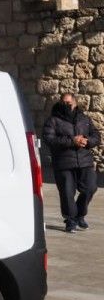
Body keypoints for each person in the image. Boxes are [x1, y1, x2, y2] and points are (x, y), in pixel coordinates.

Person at [42, 93, 99, 233]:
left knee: (90, 188)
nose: (66, 105)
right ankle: (70, 220)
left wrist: (87, 141)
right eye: (63, 102)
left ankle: (79, 214)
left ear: (75, 103)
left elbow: (96, 136)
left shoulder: (84, 119)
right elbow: (49, 139)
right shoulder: (53, 120)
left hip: (85, 161)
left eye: (68, 103)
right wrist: (72, 141)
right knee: (67, 193)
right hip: (64, 162)